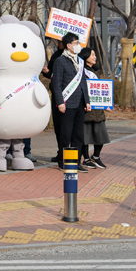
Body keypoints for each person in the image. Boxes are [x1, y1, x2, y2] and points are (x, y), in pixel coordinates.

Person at [49, 33, 91, 172]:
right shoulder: (60, 61)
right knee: (65, 134)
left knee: (78, 135)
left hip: (79, 103)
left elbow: (83, 82)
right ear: (68, 45)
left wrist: (87, 101)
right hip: (67, 103)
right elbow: (57, 83)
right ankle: (62, 160)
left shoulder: (80, 61)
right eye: (76, 43)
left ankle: (76, 161)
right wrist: (60, 102)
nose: (79, 45)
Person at [78, 47, 110, 170]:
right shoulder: (81, 72)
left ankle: (96, 156)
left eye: (95, 55)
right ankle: (85, 158)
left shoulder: (96, 72)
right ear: (85, 57)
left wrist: (106, 103)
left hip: (98, 109)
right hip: (87, 108)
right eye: (92, 55)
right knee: (85, 136)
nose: (95, 57)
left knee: (100, 134)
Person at [41, 39, 64, 163]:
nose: (58, 43)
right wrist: (46, 72)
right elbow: (51, 75)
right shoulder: (55, 55)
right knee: (59, 126)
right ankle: (61, 152)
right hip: (57, 94)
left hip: (70, 96)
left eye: (61, 41)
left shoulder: (74, 57)